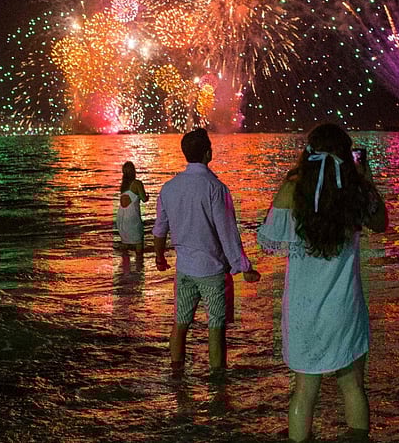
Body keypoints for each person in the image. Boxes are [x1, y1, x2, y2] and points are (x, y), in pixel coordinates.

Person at [257, 123, 387, 443]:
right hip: (345, 308)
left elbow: (268, 240)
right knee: (353, 385)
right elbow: (381, 223)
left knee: (304, 392)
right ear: (346, 154)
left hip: (303, 312)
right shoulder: (356, 191)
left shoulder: (295, 191)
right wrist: (365, 178)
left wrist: (285, 186)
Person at [153, 128, 261, 375]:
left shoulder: (169, 188)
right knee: (216, 327)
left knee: (180, 324)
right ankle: (217, 382)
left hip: (184, 269)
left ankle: (176, 375)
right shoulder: (216, 188)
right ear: (208, 153)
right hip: (212, 270)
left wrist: (159, 256)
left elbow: (160, 228)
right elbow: (227, 232)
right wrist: (243, 266)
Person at [116, 161, 149, 259]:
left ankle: (125, 267)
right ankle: (139, 265)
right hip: (132, 216)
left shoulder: (123, 186)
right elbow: (143, 199)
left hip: (121, 216)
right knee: (138, 242)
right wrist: (147, 197)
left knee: (125, 243)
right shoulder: (137, 183)